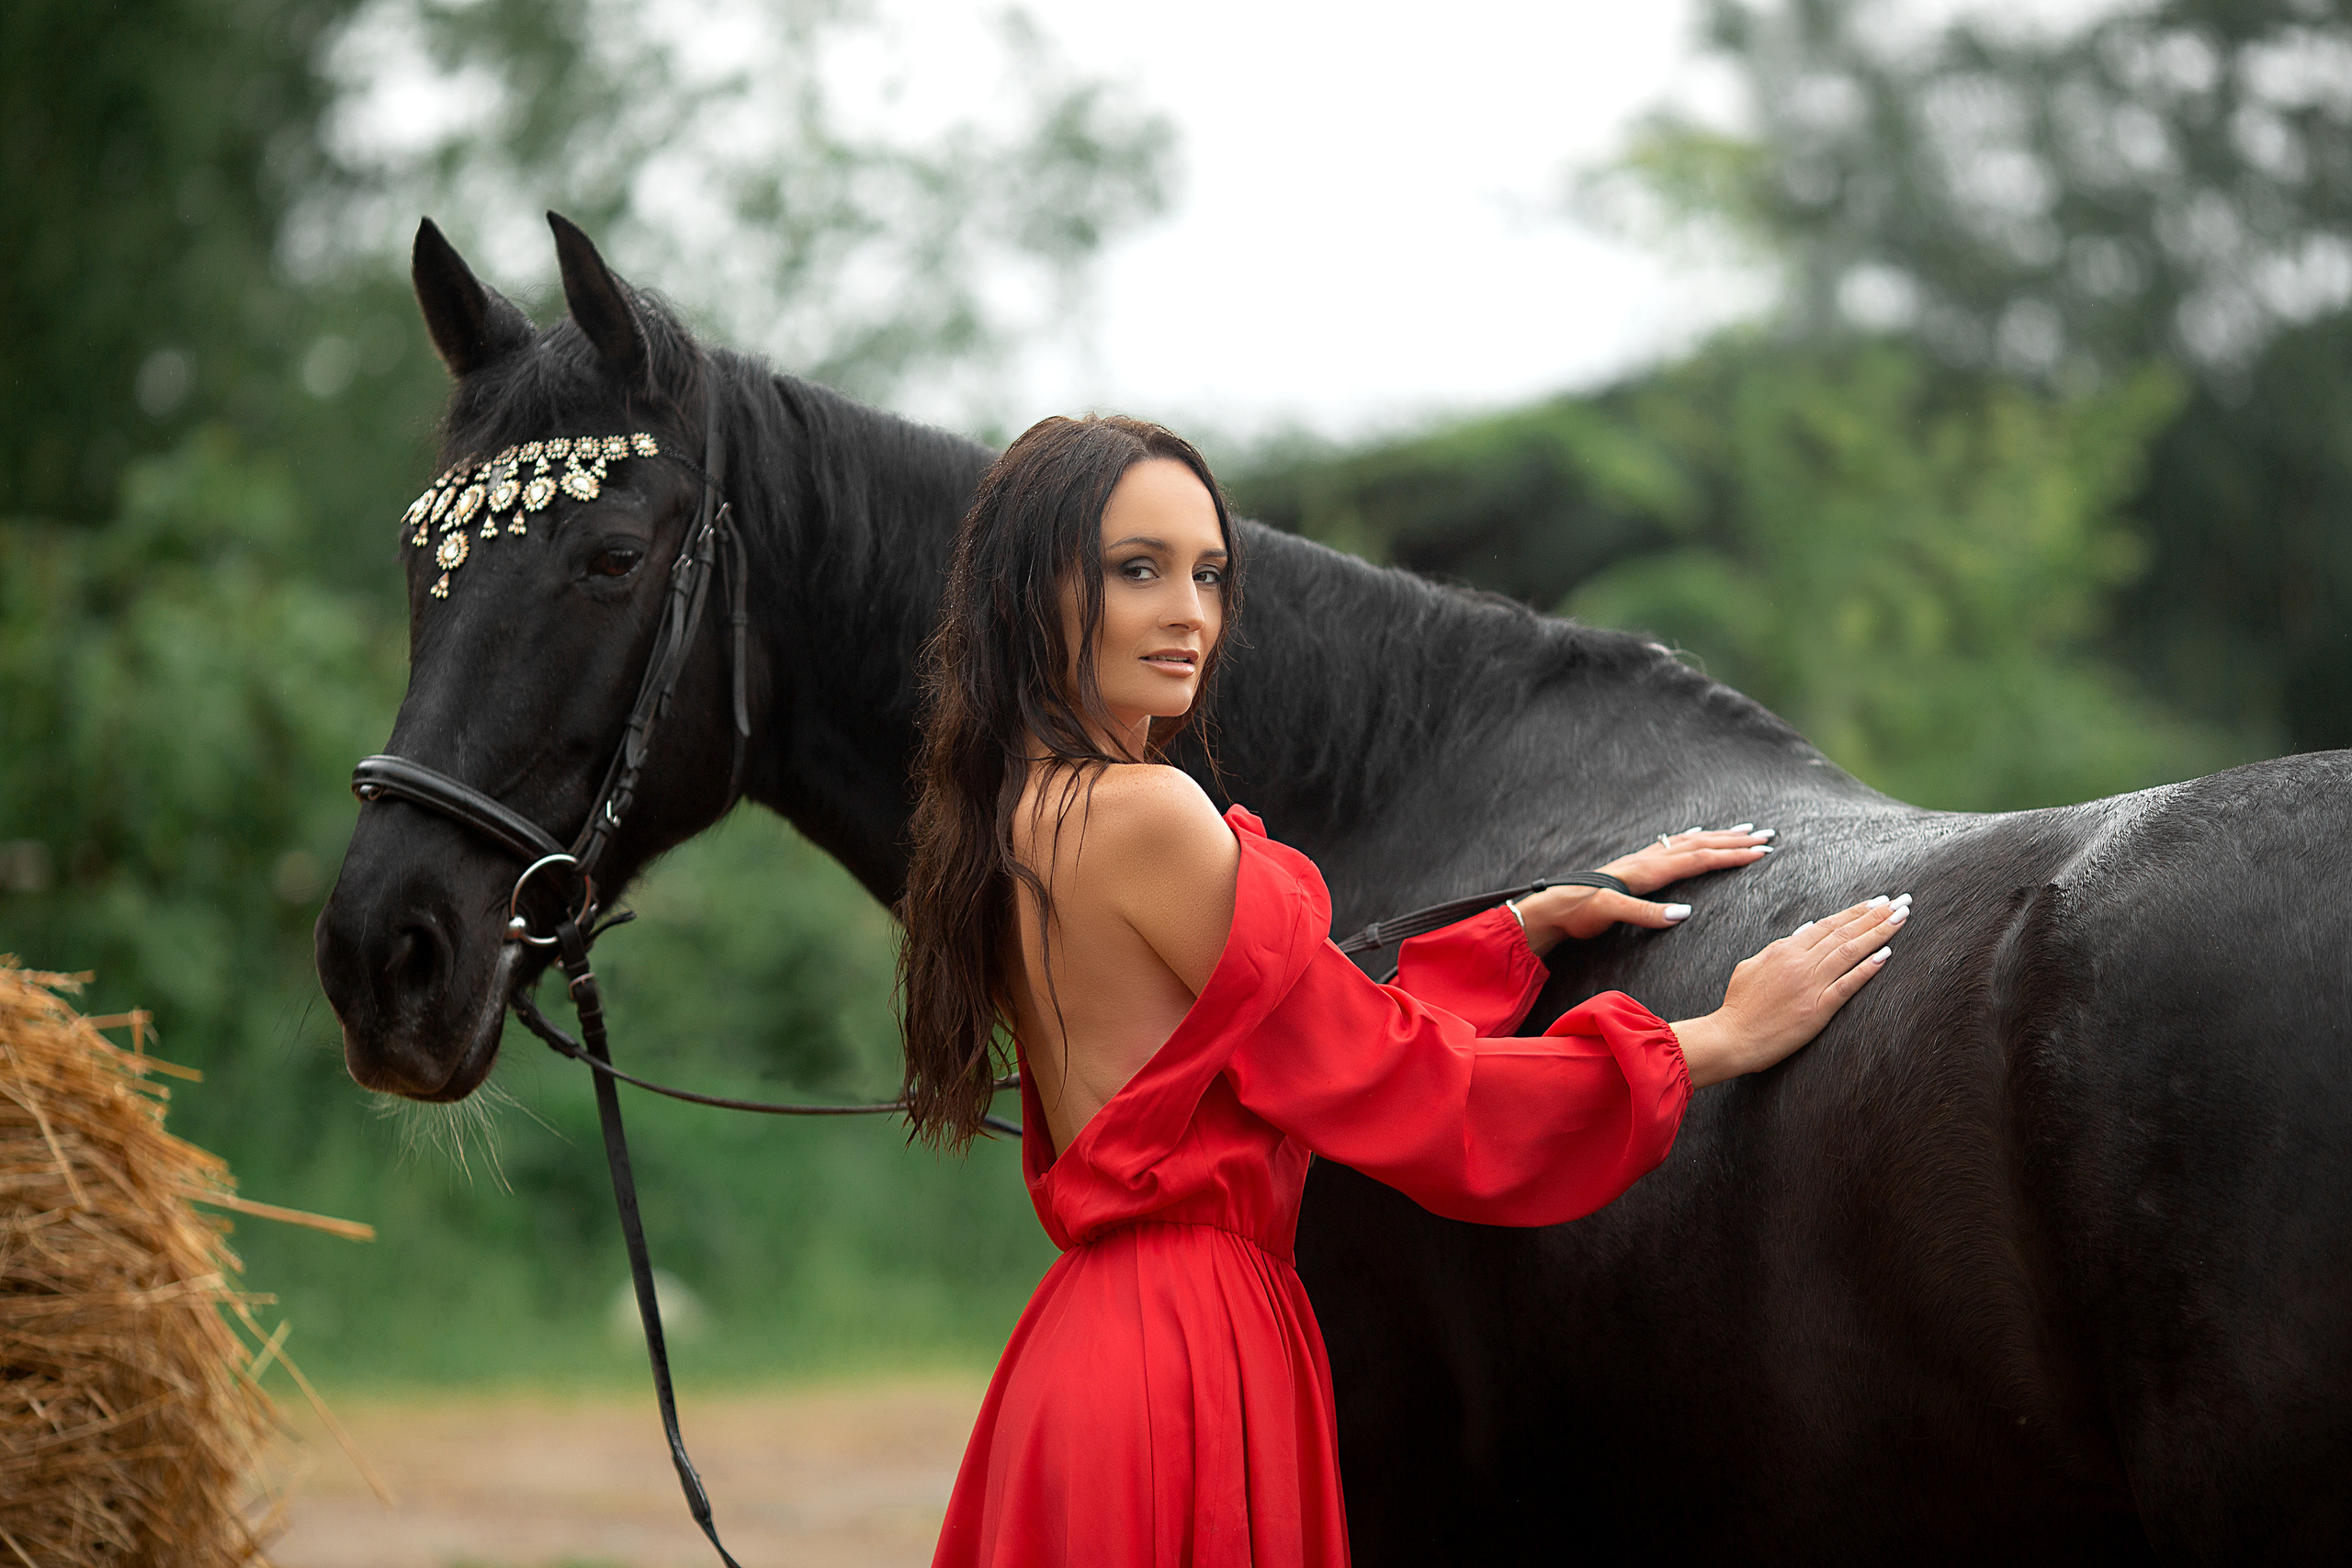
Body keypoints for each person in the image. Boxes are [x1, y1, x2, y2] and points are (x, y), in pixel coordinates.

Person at [899, 414, 1909, 1567]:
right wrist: (1710, 1040)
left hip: (1097, 1347)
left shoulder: (1022, 814)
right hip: (1184, 1353)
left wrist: (1520, 927)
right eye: (1139, 571)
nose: (1191, 614)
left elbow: (1290, 1037)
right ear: (1037, 592)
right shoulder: (1145, 813)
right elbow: (1393, 1082)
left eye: (1209, 574)